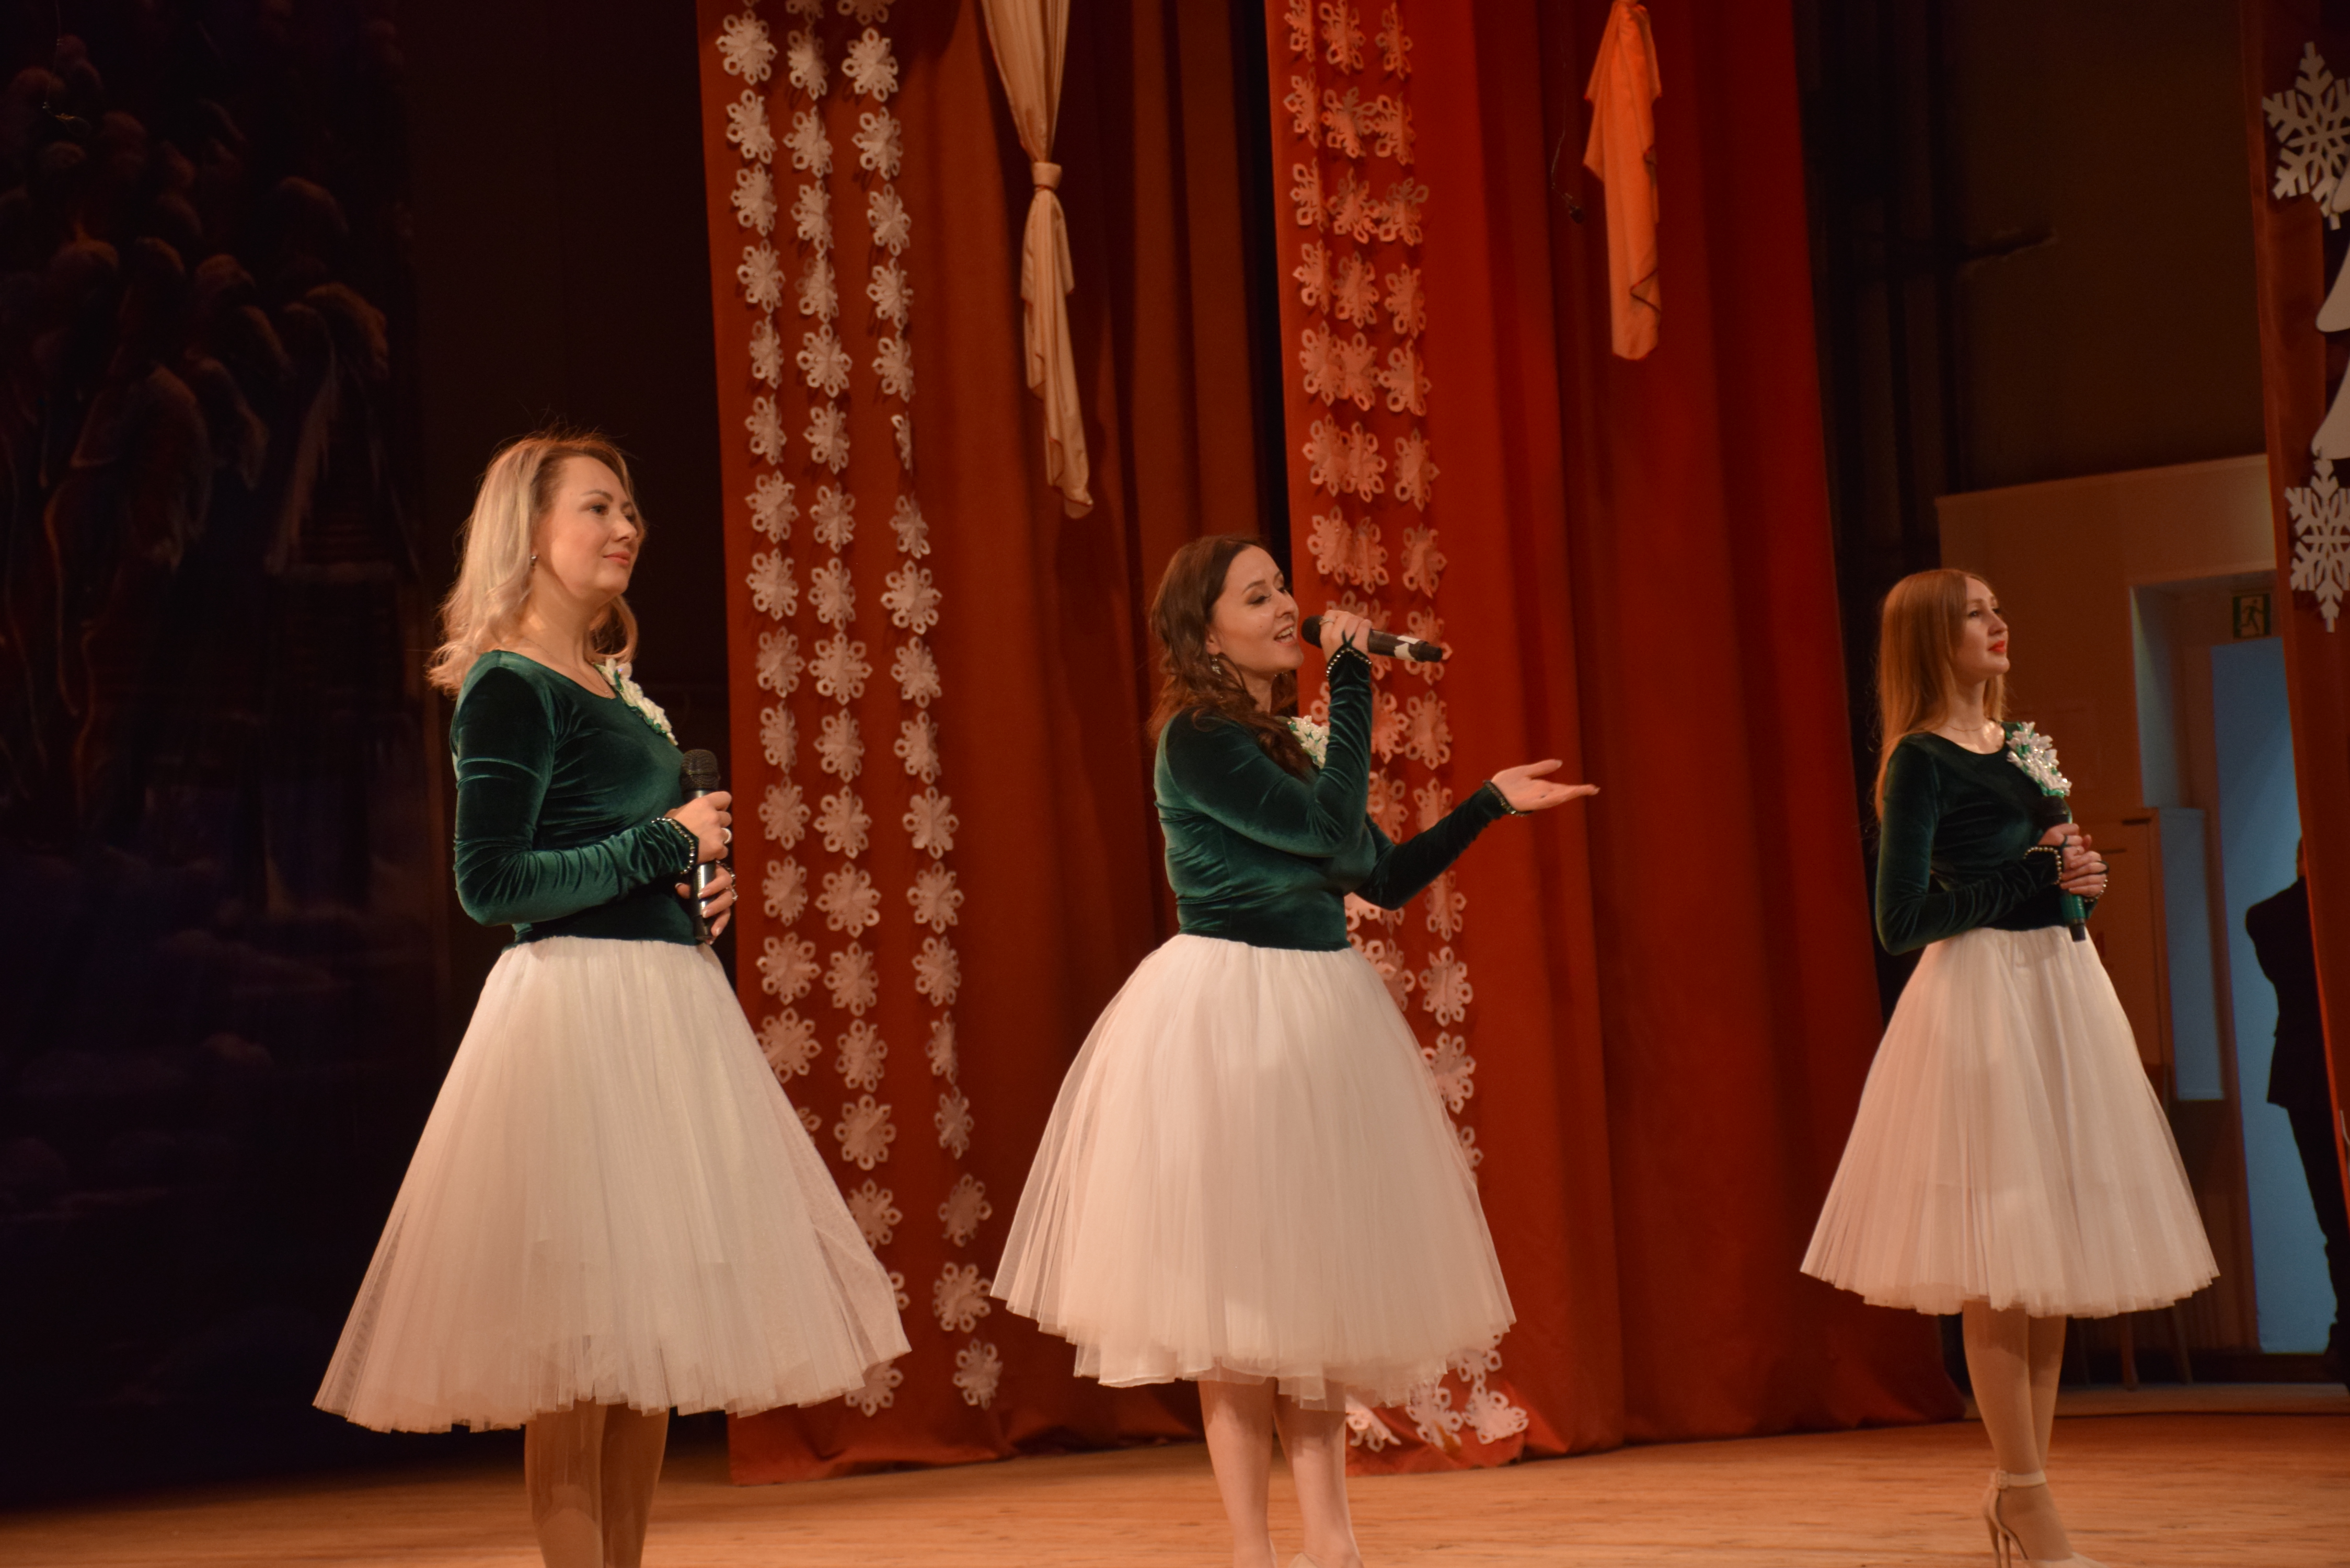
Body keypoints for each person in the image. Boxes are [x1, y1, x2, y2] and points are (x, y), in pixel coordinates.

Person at [315, 431, 906, 1568]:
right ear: (530, 531)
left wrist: (698, 892)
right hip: (581, 1024)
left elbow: (633, 851)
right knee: (579, 1363)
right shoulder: (510, 687)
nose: (625, 526)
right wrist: (663, 844)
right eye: (597, 507)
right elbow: (492, 884)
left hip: (663, 1015)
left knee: (643, 1362)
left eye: (629, 509)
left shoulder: (616, 690)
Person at [993, 536, 1596, 1568]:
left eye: (1284, 588)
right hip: (1231, 1017)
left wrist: (1489, 803)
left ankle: (1333, 1545)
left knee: (1307, 1302)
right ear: (1205, 634)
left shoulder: (1280, 744)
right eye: (1258, 595)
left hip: (1316, 1009)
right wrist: (1353, 674)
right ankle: (1253, 1551)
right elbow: (1324, 834)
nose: (1288, 608)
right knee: (1234, 1307)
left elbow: (1380, 877)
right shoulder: (1197, 741)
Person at [1803, 568, 2217, 1568]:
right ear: (1932, 638)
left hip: (2059, 989)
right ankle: (2027, 1500)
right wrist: (2033, 872)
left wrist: (2080, 883)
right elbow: (1902, 920)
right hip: (1983, 1001)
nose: (1998, 622)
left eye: (1996, 607)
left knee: (2049, 1261)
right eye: (1976, 613)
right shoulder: (1920, 761)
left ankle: (2020, 1486)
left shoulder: (2020, 743)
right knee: (2004, 1255)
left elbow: (2049, 875)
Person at [2245, 845, 2348, 1386]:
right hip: (2312, 1072)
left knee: (2335, 1218)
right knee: (2335, 1217)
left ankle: (2345, 1337)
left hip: (2303, 1073)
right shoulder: (2281, 916)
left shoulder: (2267, 916)